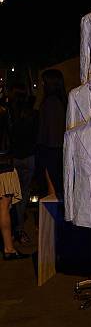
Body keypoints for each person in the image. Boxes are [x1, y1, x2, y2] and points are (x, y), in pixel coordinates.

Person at [0, 91, 28, 259]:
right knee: (4, 207)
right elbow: (12, 136)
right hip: (4, 162)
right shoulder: (4, 113)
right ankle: (9, 248)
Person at [9, 83, 38, 244]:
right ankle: (18, 227)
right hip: (28, 156)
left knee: (10, 195)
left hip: (13, 158)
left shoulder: (10, 115)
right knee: (23, 193)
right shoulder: (32, 114)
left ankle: (13, 228)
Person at [36, 69, 66, 200]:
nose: (42, 85)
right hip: (58, 150)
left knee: (52, 189)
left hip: (51, 150)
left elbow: (48, 131)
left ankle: (54, 219)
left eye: (44, 82)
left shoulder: (50, 103)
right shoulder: (62, 101)